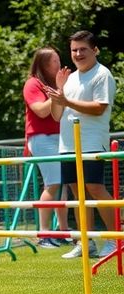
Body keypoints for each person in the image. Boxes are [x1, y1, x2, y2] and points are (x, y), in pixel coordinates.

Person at [48, 30, 118, 259]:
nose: (78, 54)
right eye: (74, 50)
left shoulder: (102, 74)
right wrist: (59, 93)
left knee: (95, 188)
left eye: (83, 49)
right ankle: (84, 242)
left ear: (95, 50)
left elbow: (99, 107)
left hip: (92, 143)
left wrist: (65, 99)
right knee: (77, 194)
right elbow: (57, 115)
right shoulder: (70, 77)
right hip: (67, 145)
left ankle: (115, 238)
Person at [23, 47, 70, 249]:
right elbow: (41, 111)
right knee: (53, 184)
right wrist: (60, 93)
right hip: (42, 138)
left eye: (59, 61)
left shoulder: (53, 84)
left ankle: (63, 231)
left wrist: (61, 91)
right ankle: (44, 234)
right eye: (54, 62)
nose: (59, 66)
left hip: (59, 137)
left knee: (63, 184)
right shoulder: (33, 83)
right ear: (43, 64)